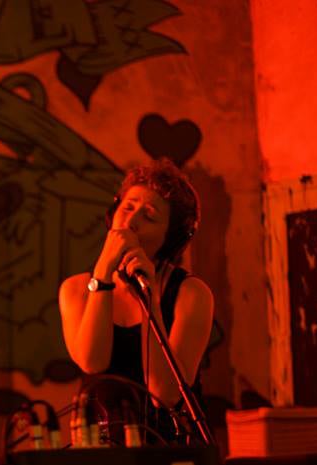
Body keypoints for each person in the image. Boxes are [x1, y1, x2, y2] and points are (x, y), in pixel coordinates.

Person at [58, 158, 214, 440]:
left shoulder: (191, 294)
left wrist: (150, 299)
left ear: (170, 239)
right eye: (127, 208)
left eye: (149, 216)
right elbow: (93, 361)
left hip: (168, 448)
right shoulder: (76, 289)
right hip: (99, 447)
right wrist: (103, 274)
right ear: (112, 214)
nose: (130, 222)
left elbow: (165, 393)